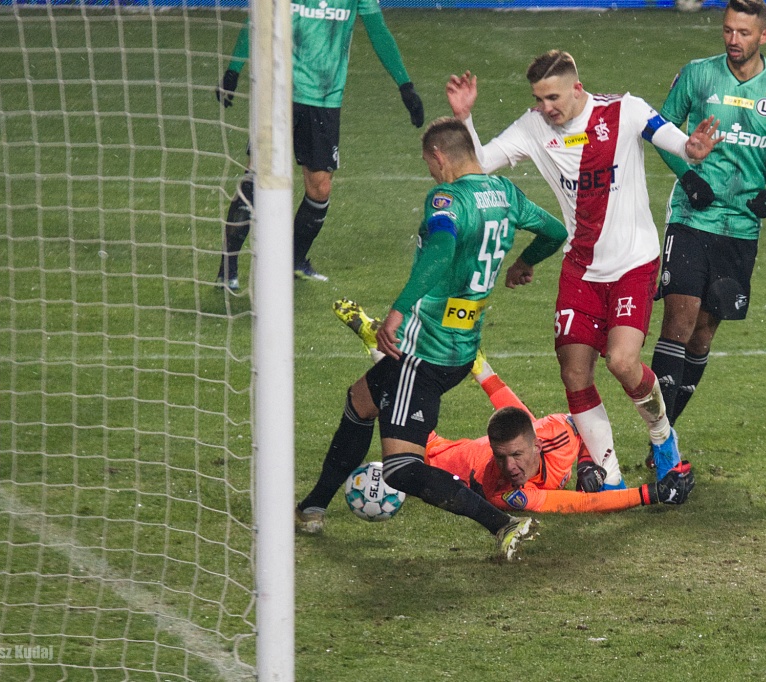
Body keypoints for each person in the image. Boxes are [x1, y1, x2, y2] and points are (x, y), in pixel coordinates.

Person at [295, 117, 568, 560]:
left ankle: (502, 525)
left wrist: (398, 311)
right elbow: (555, 231)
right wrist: (524, 262)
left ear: (439, 157)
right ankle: (312, 506)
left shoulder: (447, 198)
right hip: (461, 348)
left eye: (428, 163)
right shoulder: (507, 194)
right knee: (360, 401)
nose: (429, 172)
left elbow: (440, 251)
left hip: (423, 353)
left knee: (402, 468)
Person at [445, 51, 720, 485]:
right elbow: (477, 166)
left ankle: (663, 438)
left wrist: (695, 148)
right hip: (582, 268)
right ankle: (608, 472)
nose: (545, 107)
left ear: (577, 87)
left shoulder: (624, 110)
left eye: (552, 97)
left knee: (622, 362)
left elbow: (678, 142)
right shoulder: (534, 126)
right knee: (574, 372)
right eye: (538, 98)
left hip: (633, 263)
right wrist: (465, 118)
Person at [333, 298, 697, 515]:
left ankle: (380, 343)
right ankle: (377, 343)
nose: (510, 467)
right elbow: (575, 505)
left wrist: (588, 461)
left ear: (536, 445)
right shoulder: (510, 493)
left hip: (485, 441)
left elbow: (576, 422)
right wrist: (651, 493)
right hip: (440, 457)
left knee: (403, 390)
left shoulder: (552, 434)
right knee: (397, 398)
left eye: (516, 456)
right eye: (504, 458)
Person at [648, 0, 766, 439]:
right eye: (727, 30)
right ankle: (661, 441)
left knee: (702, 336)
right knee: (679, 324)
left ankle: (667, 431)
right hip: (691, 217)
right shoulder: (698, 74)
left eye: (743, 33)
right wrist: (690, 178)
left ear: (764, 37)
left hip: (739, 229)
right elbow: (660, 131)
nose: (733, 40)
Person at [214, 5, 424, 288]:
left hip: (325, 99)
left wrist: (405, 85)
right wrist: (233, 69)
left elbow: (378, 30)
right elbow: (257, 21)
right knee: (257, 175)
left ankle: (293, 260)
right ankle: (228, 268)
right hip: (278, 90)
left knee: (319, 188)